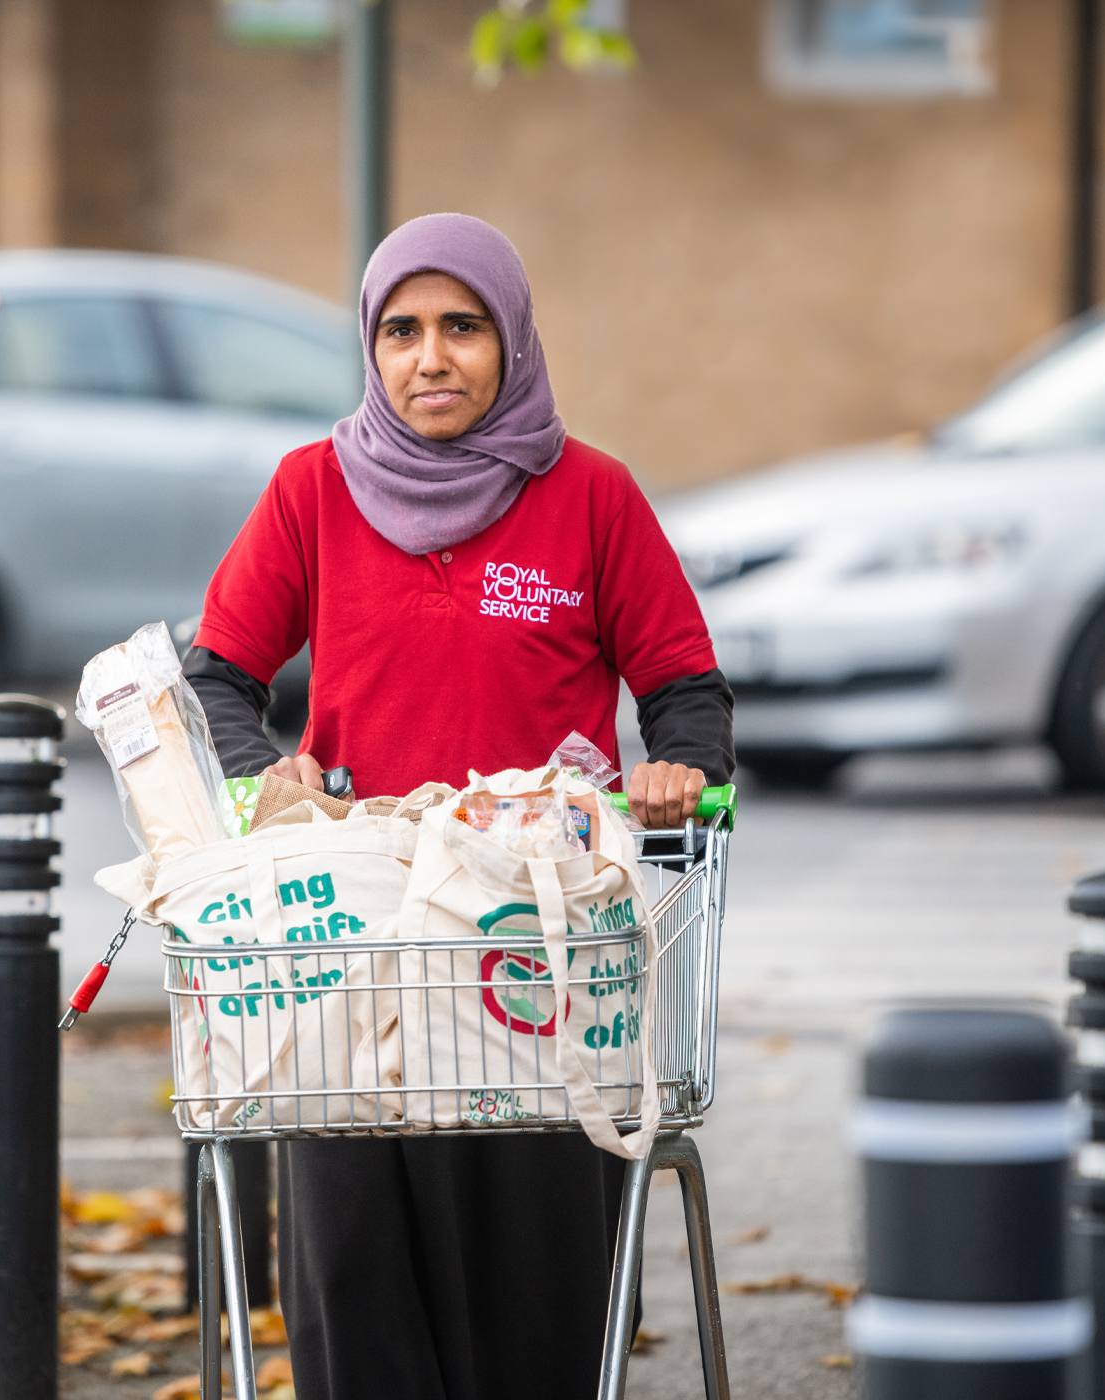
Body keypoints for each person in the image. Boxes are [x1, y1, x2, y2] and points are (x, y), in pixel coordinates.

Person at [183, 212, 734, 1400]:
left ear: (513, 340)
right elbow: (216, 683)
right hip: (357, 957)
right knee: (353, 1272)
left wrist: (676, 770)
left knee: (540, 1297)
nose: (430, 358)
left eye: (462, 327)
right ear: (371, 352)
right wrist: (260, 777)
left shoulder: (593, 496)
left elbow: (687, 692)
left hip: (533, 956)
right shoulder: (311, 492)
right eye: (401, 331)